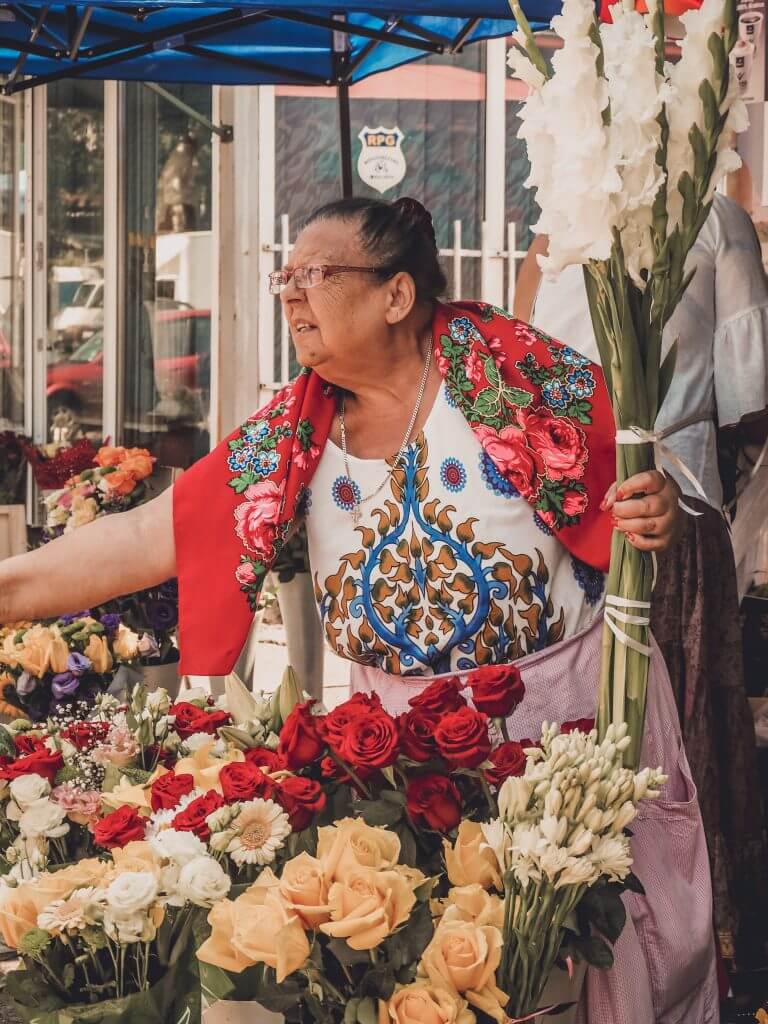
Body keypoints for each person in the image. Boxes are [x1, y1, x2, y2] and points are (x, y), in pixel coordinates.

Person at [0, 197, 711, 1023]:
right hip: (410, 770)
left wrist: (657, 507)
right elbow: (140, 538)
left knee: (586, 980)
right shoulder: (293, 433)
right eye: (286, 276)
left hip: (569, 744)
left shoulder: (515, 380)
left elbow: (650, 490)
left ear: (397, 295)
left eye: (317, 274)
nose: (291, 295)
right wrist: (8, 590)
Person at [518, 191, 768, 971]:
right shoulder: (704, 218)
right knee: (632, 743)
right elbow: (748, 399)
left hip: (610, 519)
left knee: (619, 739)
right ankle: (635, 951)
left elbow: (746, 398)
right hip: (630, 515)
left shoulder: (691, 215)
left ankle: (619, 950)